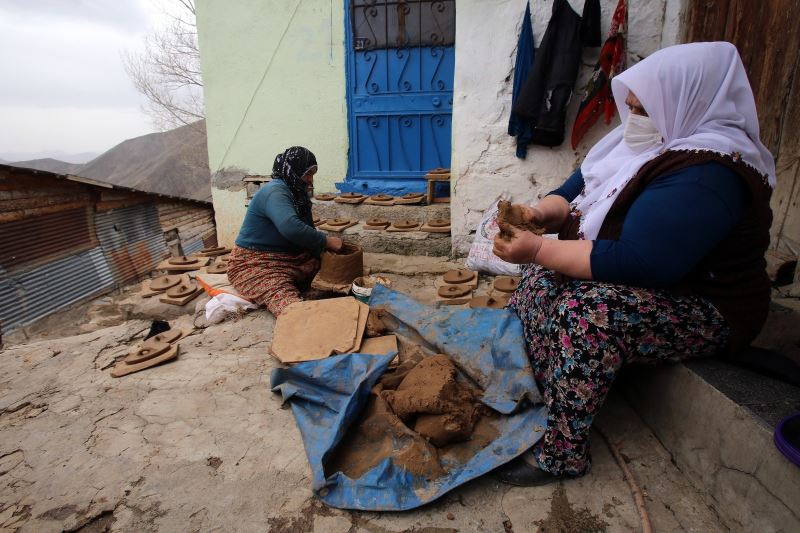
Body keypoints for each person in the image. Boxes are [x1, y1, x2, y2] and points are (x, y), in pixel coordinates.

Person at [492, 42, 776, 486]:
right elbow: (575, 188)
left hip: (704, 303)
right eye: (631, 106)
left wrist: (537, 249)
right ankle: (546, 385)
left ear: (686, 101)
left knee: (587, 313)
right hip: (647, 278)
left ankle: (562, 453)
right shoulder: (646, 141)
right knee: (542, 279)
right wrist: (538, 216)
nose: (634, 118)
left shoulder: (710, 170)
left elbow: (641, 261)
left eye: (642, 108)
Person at [227, 146, 342, 316]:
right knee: (291, 309)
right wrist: (326, 241)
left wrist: (323, 252)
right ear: (292, 171)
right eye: (307, 174)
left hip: (290, 257)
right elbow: (291, 227)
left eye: (312, 175)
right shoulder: (275, 191)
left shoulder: (297, 194)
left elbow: (307, 230)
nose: (310, 180)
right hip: (256, 262)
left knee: (337, 267)